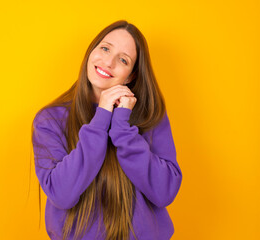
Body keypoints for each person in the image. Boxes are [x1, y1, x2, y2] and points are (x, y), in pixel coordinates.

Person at [31, 20, 182, 240]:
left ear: (131, 76)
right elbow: (62, 194)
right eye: (105, 48)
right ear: (91, 51)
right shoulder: (50, 120)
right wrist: (101, 118)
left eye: (123, 59)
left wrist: (122, 127)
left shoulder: (150, 115)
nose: (109, 62)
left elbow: (165, 191)